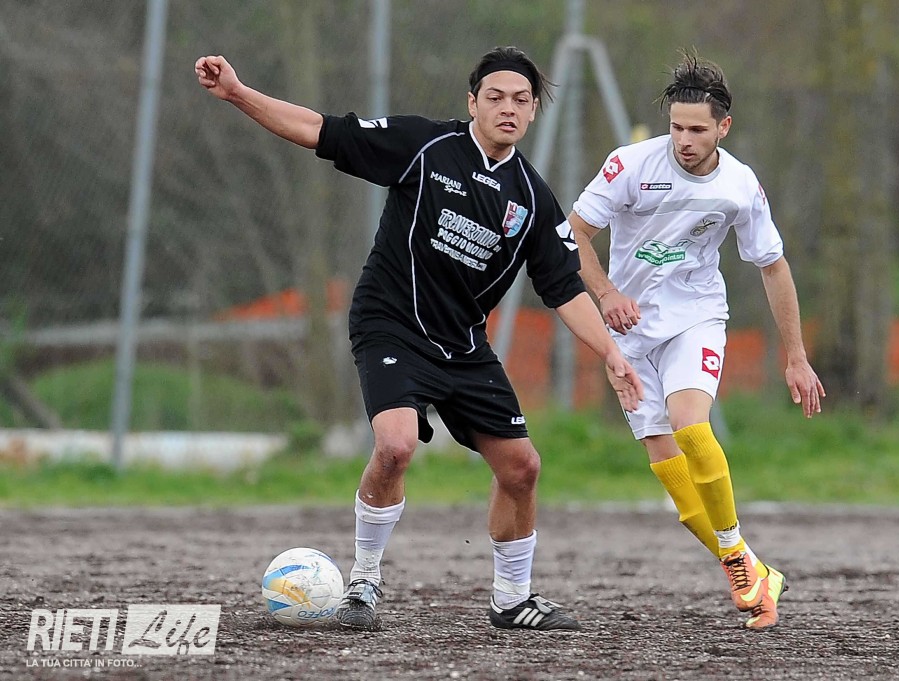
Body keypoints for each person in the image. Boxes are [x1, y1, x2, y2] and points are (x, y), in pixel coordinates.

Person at [195, 46, 642, 632]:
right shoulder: (425, 147)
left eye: (520, 100)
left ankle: (512, 600)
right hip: (391, 324)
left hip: (462, 345)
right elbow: (318, 130)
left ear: (533, 110)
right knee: (396, 445)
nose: (508, 108)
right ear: (473, 102)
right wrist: (237, 93)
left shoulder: (533, 199)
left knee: (522, 468)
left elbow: (564, 289)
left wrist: (610, 353)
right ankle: (364, 582)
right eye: (495, 97)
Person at [568, 50, 825, 631]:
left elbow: (773, 265)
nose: (684, 141)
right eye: (676, 128)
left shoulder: (739, 184)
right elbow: (574, 232)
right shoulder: (630, 165)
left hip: (695, 317)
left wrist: (796, 356)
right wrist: (607, 294)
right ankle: (756, 571)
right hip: (629, 330)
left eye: (697, 130)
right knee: (670, 472)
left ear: (723, 128)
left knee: (691, 426)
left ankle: (734, 556)